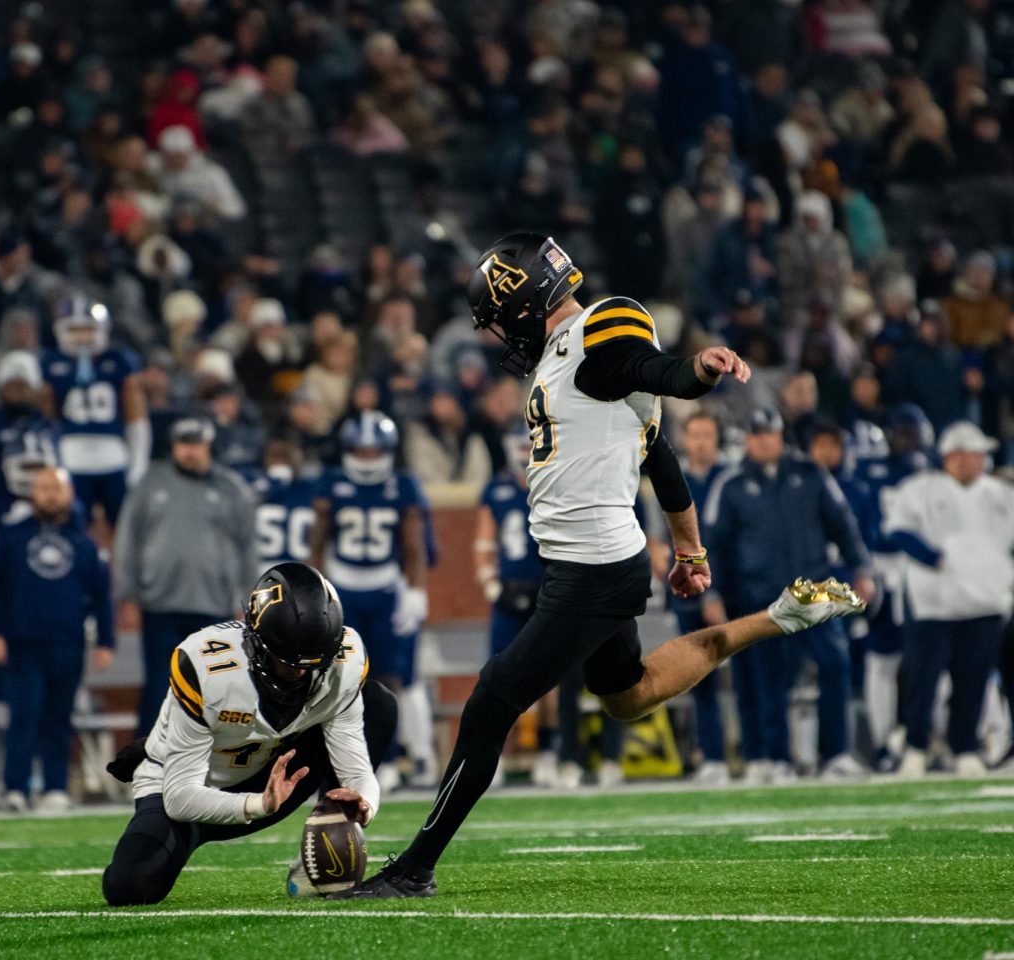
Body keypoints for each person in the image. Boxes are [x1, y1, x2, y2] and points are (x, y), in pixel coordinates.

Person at [336, 233, 857, 900]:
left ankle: (414, 869)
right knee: (629, 695)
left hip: (593, 565)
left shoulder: (597, 329)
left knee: (492, 699)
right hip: (592, 560)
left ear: (524, 303)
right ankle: (780, 617)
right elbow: (660, 459)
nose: (498, 335)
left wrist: (697, 368)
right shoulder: (568, 360)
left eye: (498, 318)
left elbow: (653, 368)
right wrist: (691, 550)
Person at [101, 562, 398, 906]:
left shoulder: (342, 662)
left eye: (314, 665)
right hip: (188, 789)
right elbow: (180, 798)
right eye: (289, 663)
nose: (302, 674)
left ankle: (320, 851)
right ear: (256, 643)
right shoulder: (206, 667)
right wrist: (259, 804)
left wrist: (365, 806)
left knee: (377, 703)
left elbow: (355, 766)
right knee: (129, 889)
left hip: (273, 774)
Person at [703, 409, 874, 783]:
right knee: (770, 679)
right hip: (760, 595)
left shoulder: (811, 474)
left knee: (835, 666)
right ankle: (776, 757)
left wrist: (861, 568)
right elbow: (713, 545)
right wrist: (711, 592)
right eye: (757, 434)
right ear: (748, 440)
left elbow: (843, 524)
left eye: (770, 434)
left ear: (781, 436)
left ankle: (836, 754)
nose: (764, 440)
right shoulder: (730, 484)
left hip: (813, 591)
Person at [308, 412, 435, 789]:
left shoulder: (403, 485)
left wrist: (415, 590)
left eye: (373, 452)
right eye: (360, 452)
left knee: (386, 680)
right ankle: (334, 761)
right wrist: (315, 589)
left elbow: (413, 547)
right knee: (335, 679)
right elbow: (317, 542)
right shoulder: (331, 482)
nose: (366, 459)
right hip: (343, 589)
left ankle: (389, 757)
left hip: (384, 589)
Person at [0, 467, 115, 812]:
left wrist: (106, 640)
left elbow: (102, 595)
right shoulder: (9, 538)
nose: (51, 494)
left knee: (59, 717)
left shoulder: (84, 543)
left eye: (57, 488)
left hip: (68, 643)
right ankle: (15, 787)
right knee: (23, 716)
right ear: (31, 493)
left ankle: (56, 786)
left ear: (69, 494)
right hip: (22, 643)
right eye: (43, 488)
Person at [112, 416, 259, 736]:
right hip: (158, 604)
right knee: (158, 686)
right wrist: (126, 595)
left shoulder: (232, 488)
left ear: (208, 445)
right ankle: (147, 769)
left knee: (214, 690)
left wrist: (247, 600)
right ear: (173, 447)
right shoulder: (150, 484)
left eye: (196, 444)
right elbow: (127, 541)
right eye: (184, 445)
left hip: (215, 606)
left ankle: (209, 770)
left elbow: (248, 548)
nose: (190, 452)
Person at [885, 422, 1014, 779]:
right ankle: (916, 746)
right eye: (976, 453)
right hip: (934, 603)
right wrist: (934, 557)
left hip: (985, 601)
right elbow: (897, 529)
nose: (983, 460)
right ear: (954, 457)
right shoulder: (919, 489)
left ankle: (966, 747)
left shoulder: (1000, 494)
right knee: (923, 682)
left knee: (973, 679)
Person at [852, 404, 933, 769]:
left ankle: (926, 739)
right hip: (885, 572)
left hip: (919, 571)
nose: (906, 441)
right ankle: (886, 741)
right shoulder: (874, 472)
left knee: (930, 661)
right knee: (882, 659)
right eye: (902, 433)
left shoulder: (928, 473)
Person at [475, 428, 555, 788]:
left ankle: (549, 754)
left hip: (547, 591)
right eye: (521, 446)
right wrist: (491, 585)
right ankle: (497, 757)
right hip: (510, 594)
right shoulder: (497, 489)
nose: (525, 452)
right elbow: (483, 542)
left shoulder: (555, 480)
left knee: (548, 680)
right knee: (500, 678)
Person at [42, 296, 150, 525]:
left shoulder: (119, 360)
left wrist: (138, 464)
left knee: (126, 529)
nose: (82, 337)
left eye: (88, 330)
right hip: (71, 457)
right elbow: (46, 419)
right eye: (75, 330)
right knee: (73, 527)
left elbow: (136, 416)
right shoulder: (51, 363)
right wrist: (52, 461)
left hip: (114, 456)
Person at [668, 410, 730, 785]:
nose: (702, 442)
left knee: (750, 676)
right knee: (699, 676)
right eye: (696, 435)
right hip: (689, 592)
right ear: (686, 440)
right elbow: (658, 539)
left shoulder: (731, 480)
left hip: (730, 592)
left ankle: (765, 755)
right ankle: (713, 756)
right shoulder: (674, 479)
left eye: (708, 435)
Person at [0, 350, 59, 550]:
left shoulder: (50, 428)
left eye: (23, 385)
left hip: (49, 517)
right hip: (6, 517)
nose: (18, 391)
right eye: (11, 385)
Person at [254, 436, 318, 569]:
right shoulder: (312, 489)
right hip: (300, 571)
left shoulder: (252, 486)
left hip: (262, 571)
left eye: (284, 457)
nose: (280, 462)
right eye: (276, 456)